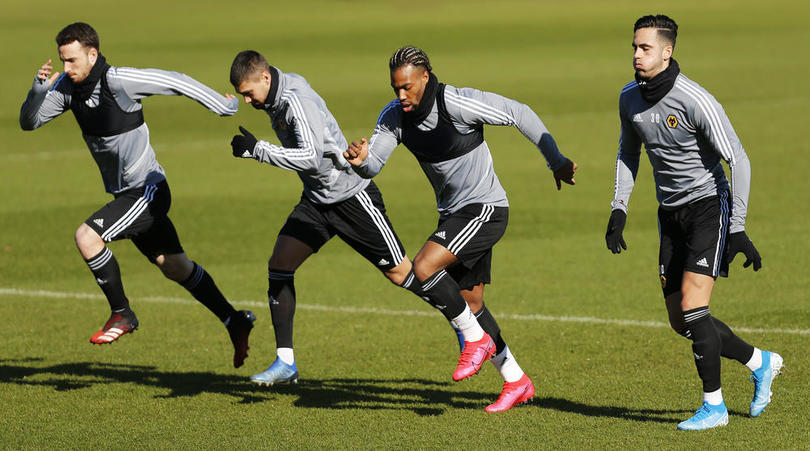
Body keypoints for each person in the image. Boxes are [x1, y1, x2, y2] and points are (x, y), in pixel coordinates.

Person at [343, 46, 577, 412]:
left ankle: (474, 339)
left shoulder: (457, 103)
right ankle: (517, 380)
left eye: (407, 86)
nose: (401, 95)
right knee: (471, 302)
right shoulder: (394, 117)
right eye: (395, 88)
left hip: (485, 209)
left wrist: (556, 161)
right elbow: (374, 164)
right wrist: (360, 162)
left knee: (423, 267)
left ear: (424, 77)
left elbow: (519, 113)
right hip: (453, 216)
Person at [19, 22, 256, 368]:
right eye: (62, 61)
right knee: (175, 266)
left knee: (87, 237)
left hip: (148, 190)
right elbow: (29, 122)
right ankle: (233, 320)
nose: (65, 69)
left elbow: (172, 81)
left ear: (92, 53)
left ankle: (122, 313)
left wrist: (222, 106)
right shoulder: (67, 89)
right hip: (127, 195)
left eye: (71, 60)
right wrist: (38, 90)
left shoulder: (119, 80)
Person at [227, 50, 464, 386]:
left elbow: (309, 158)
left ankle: (465, 323)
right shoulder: (274, 97)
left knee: (402, 273)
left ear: (265, 78)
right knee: (279, 266)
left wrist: (258, 150)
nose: (249, 101)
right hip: (316, 200)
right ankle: (285, 363)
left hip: (351, 197)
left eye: (249, 93)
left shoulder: (294, 100)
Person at [605, 14, 783, 430]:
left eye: (645, 48)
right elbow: (628, 153)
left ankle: (714, 407)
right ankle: (762, 362)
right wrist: (619, 208)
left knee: (693, 307)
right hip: (670, 214)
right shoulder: (629, 97)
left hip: (708, 206)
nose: (636, 54)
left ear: (667, 52)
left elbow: (738, 159)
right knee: (680, 320)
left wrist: (736, 226)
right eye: (634, 46)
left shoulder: (696, 100)